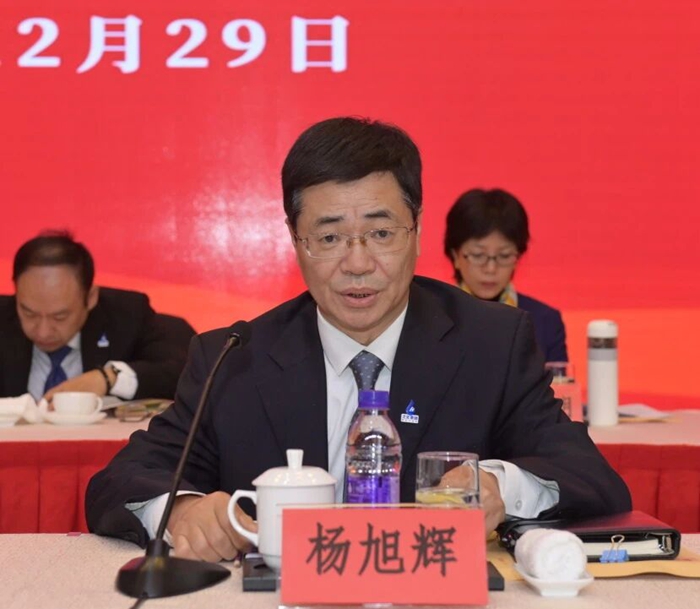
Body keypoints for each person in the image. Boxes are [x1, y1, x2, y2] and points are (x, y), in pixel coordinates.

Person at [86, 117, 630, 562]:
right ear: (295, 241)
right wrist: (182, 511)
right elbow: (121, 481)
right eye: (329, 237)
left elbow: (589, 475)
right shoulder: (235, 358)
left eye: (381, 232)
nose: (358, 263)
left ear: (417, 230)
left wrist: (498, 487)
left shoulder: (492, 342)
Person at [0, 231, 195, 401]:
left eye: (60, 317)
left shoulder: (126, 315)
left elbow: (186, 371)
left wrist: (108, 378)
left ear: (91, 297)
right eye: (29, 313)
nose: (43, 331)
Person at [444, 188, 568, 362]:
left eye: (504, 256)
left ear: (518, 257)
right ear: (456, 256)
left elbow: (559, 379)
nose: (491, 268)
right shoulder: (431, 317)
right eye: (478, 255)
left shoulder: (545, 321)